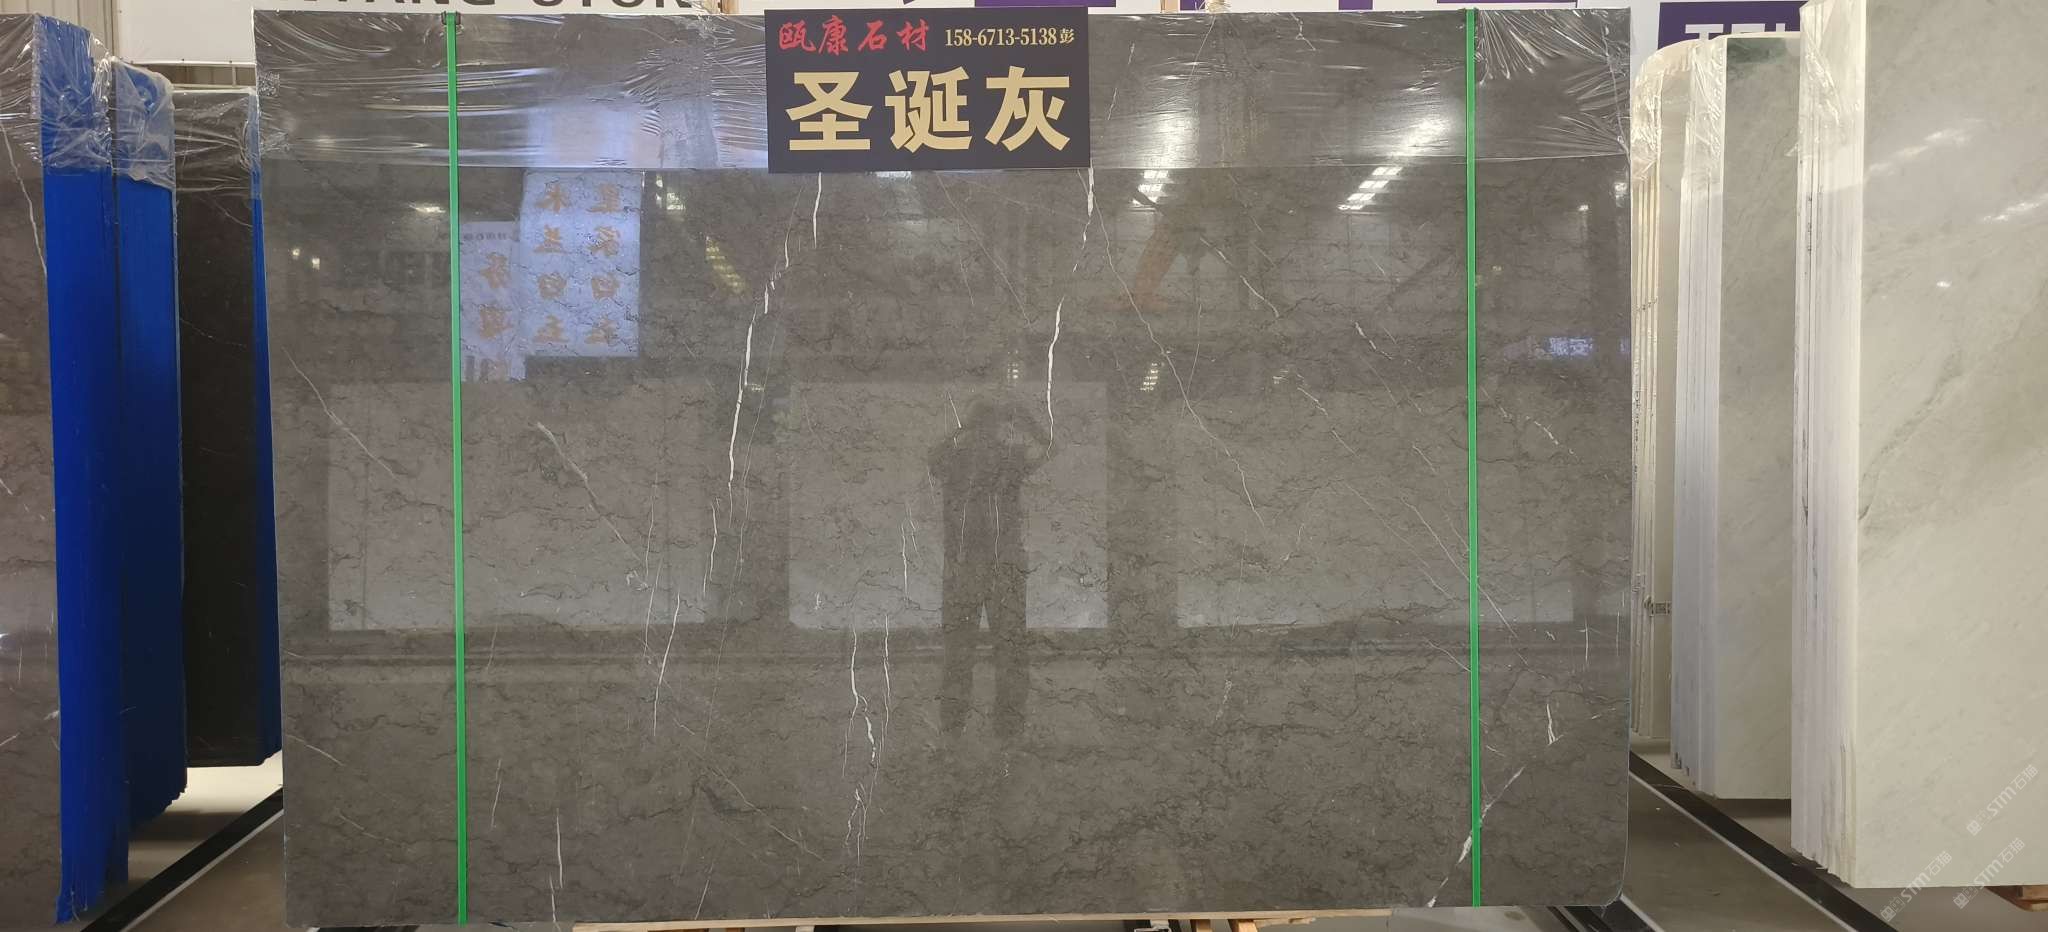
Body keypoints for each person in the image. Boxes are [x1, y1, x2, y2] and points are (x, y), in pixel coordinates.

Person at [927, 395, 1053, 740]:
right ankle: (998, 736)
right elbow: (1049, 447)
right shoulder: (989, 459)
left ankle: (964, 735)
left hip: (976, 568)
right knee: (995, 654)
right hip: (985, 567)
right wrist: (1027, 423)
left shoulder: (980, 459)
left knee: (972, 654)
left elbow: (933, 457)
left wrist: (964, 428)